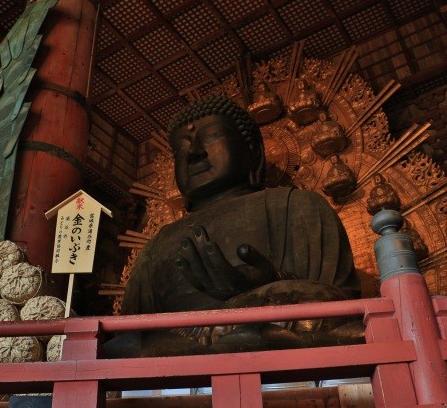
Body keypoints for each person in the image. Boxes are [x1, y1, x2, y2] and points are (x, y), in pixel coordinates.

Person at [110, 96, 362, 357]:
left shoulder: (297, 204)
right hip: (185, 348)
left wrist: (271, 282)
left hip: (274, 332)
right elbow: (130, 332)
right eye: (181, 148)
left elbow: (340, 303)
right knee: (128, 346)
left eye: (212, 136)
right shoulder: (158, 244)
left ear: (253, 152)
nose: (194, 152)